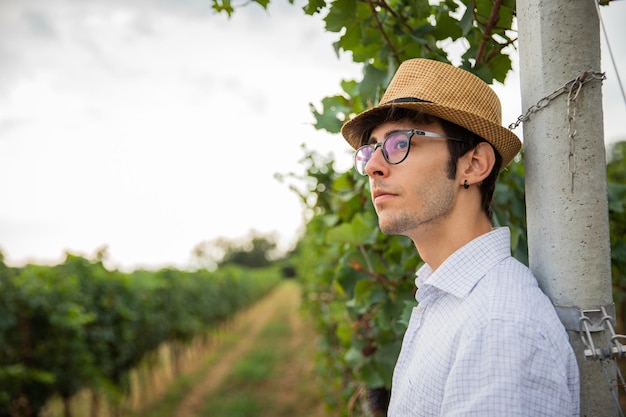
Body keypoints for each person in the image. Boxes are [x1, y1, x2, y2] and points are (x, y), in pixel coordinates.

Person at [340, 58, 580, 416]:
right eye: (371, 149)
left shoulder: (499, 330)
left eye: (398, 143)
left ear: (473, 165)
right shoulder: (447, 298)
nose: (374, 166)